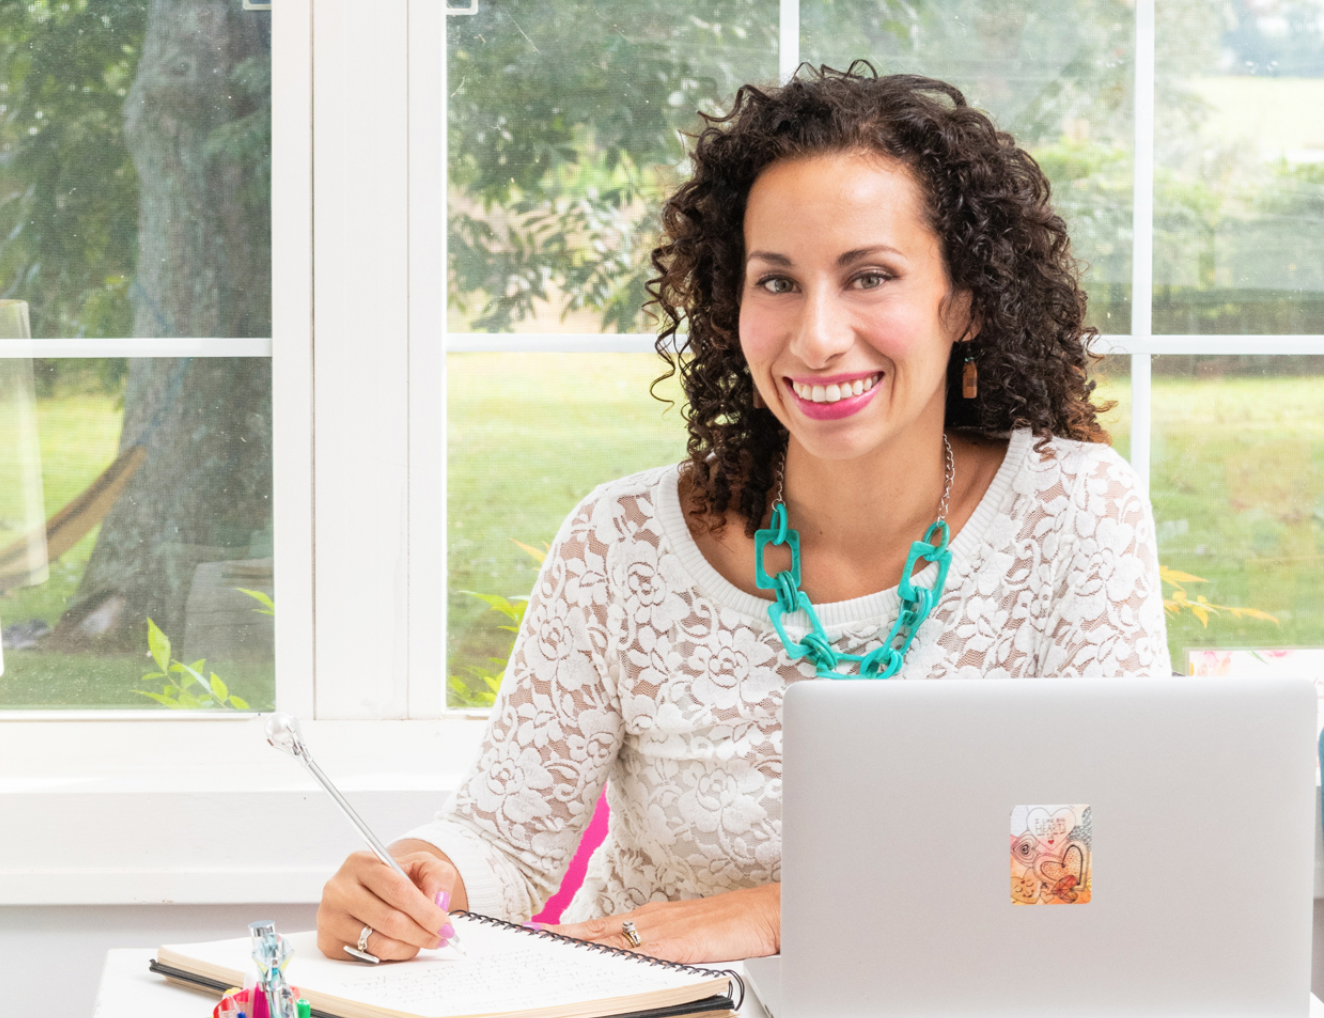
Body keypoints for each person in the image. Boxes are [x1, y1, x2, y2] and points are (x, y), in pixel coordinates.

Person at [317, 64, 1170, 968]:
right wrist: (419, 877)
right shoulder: (621, 543)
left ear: (961, 302)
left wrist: (777, 914)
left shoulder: (1073, 509)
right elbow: (508, 842)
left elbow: (1080, 864)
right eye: (777, 283)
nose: (817, 336)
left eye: (870, 276)